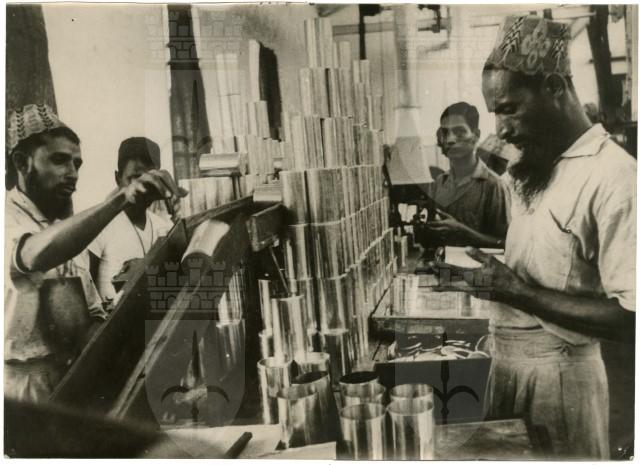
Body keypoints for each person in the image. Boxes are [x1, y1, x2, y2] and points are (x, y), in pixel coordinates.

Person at [435, 16, 636, 458]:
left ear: (553, 87)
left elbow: (631, 318)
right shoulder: (534, 165)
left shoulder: (615, 176)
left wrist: (517, 292)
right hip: (507, 362)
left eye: (509, 109)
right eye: (495, 113)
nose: (502, 129)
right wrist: (483, 268)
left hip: (560, 378)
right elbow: (537, 252)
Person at [5, 104, 182, 403]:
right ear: (22, 163)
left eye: (77, 164)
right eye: (59, 160)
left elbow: (91, 323)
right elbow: (33, 255)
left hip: (72, 382)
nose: (72, 174)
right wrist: (120, 199)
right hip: (22, 394)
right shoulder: (8, 219)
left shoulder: (63, 228)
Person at [88, 137, 173, 303]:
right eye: (134, 177)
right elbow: (87, 293)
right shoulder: (99, 226)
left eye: (150, 179)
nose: (143, 187)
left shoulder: (164, 227)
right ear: (118, 178)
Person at [420, 102, 509, 249]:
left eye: (459, 132)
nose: (450, 139)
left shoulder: (494, 186)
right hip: (442, 263)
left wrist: (464, 233)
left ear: (476, 136)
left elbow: (507, 244)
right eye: (445, 133)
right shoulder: (439, 183)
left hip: (477, 264)